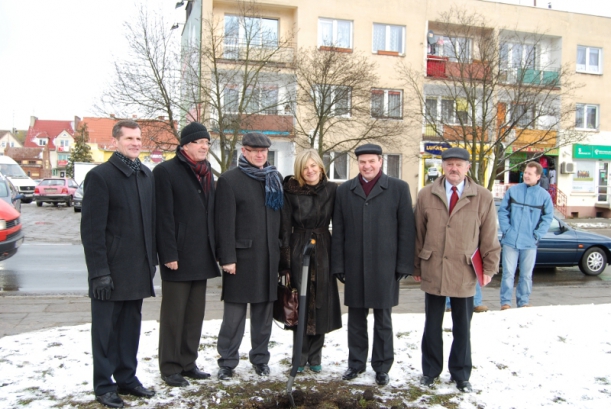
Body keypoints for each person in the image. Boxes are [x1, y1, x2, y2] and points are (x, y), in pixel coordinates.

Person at [81, 119, 156, 408]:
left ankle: (127, 378)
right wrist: (99, 273)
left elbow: (149, 223)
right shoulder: (100, 177)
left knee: (130, 329)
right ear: (115, 142)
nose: (135, 143)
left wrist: (151, 261)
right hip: (110, 272)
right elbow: (92, 231)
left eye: (138, 138)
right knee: (105, 333)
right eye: (129, 138)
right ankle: (104, 386)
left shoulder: (145, 175)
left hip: (138, 269)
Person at [414, 147, 500, 393]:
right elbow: (418, 233)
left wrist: (489, 267)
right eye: (449, 164)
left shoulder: (482, 196)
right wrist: (416, 265)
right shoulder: (426, 194)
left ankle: (461, 374)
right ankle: (430, 372)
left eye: (459, 164)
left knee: (463, 327)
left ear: (467, 167)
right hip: (434, 267)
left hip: (465, 270)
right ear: (442, 166)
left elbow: (489, 235)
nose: (454, 168)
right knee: (432, 325)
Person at [332, 143, 415, 386]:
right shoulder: (345, 190)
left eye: (371, 161)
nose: (367, 166)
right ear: (357, 163)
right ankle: (356, 364)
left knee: (383, 320)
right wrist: (339, 264)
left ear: (381, 161)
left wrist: (404, 264)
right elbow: (339, 230)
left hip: (385, 264)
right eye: (362, 162)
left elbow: (406, 229)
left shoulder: (399, 188)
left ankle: (382, 366)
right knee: (356, 320)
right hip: (354, 264)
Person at [153, 122, 220, 388]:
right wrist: (168, 253)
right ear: (185, 145)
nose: (205, 146)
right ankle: (170, 367)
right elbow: (163, 216)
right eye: (199, 142)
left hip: (202, 254)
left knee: (194, 315)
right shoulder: (165, 171)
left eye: (207, 143)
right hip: (177, 256)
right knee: (174, 316)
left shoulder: (207, 172)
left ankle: (188, 363)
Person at [214, 132, 283, 380]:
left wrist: (281, 252)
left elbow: (280, 219)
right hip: (241, 259)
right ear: (244, 151)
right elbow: (224, 223)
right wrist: (227, 258)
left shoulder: (274, 178)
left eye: (263, 151)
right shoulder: (229, 180)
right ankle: (227, 362)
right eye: (254, 151)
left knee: (263, 316)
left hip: (269, 257)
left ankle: (260, 359)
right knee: (233, 317)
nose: (260, 155)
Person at [280, 149, 342, 374]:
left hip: (324, 248)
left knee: (321, 302)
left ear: (321, 167)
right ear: (299, 170)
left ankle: (316, 356)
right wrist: (285, 261)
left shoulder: (332, 189)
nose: (310, 171)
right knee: (300, 303)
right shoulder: (290, 191)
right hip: (299, 246)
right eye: (305, 167)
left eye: (313, 166)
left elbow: (340, 224)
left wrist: (339, 258)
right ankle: (299, 356)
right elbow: (285, 226)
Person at [498, 161, 553, 310]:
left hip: (529, 243)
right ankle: (505, 302)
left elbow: (548, 218)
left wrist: (537, 235)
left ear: (538, 176)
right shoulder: (513, 191)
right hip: (511, 241)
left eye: (530, 173)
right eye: (525, 173)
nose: (526, 176)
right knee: (508, 274)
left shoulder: (544, 196)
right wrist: (507, 230)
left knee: (526, 275)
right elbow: (503, 211)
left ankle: (523, 302)